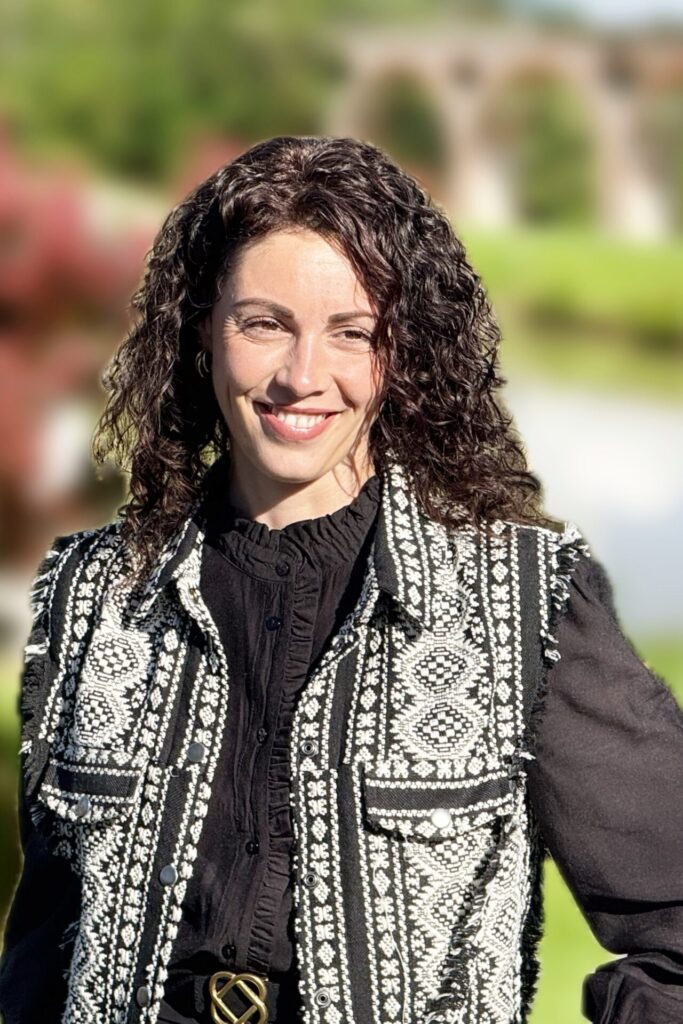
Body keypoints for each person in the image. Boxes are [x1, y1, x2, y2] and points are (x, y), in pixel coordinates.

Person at [0, 135, 682, 1024]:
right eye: (263, 324)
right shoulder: (91, 595)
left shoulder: (524, 601)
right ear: (202, 329)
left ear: (403, 352)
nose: (301, 376)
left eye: (351, 333)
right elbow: (43, 951)